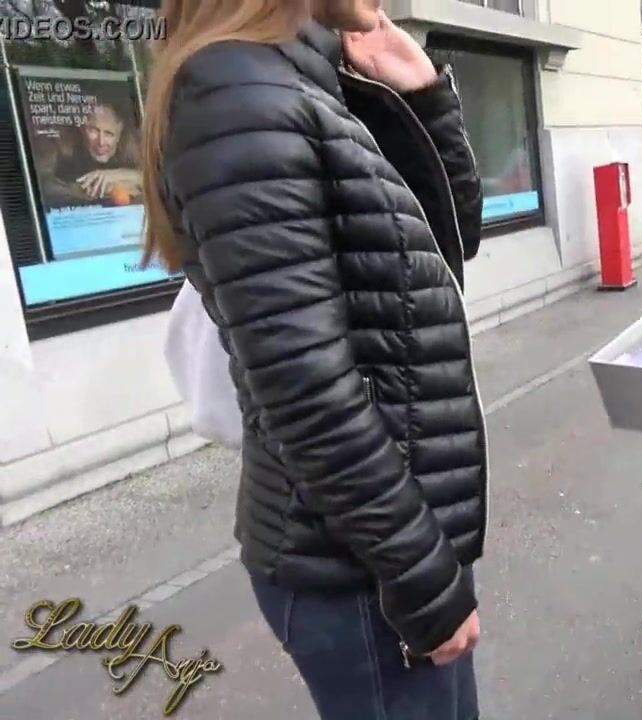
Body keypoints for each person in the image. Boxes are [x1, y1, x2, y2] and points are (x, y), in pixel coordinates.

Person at [139, 1, 487, 718]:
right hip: (359, 565)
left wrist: (422, 99)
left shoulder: (303, 78)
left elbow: (450, 243)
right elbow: (307, 392)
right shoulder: (237, 92)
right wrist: (422, 577)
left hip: (384, 542)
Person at [44, 97, 142, 208]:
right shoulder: (64, 147)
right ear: (82, 128)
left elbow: (152, 178)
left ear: (119, 135)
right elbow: (43, 185)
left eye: (109, 134)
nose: (101, 142)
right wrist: (85, 190)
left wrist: (119, 175)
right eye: (94, 130)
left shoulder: (131, 148)